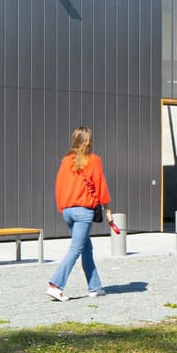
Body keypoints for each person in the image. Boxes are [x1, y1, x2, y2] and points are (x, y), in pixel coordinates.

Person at [47, 126, 110, 302]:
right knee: (76, 249)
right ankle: (55, 285)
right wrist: (108, 209)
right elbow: (100, 187)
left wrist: (63, 207)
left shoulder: (67, 161)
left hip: (68, 211)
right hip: (83, 212)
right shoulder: (94, 160)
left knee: (86, 248)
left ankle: (95, 287)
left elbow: (59, 186)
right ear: (89, 141)